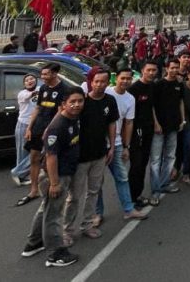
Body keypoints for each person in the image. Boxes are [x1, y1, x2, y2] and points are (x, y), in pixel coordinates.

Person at [21, 87, 85, 267]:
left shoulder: (72, 119)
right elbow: (50, 156)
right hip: (56, 176)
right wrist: (54, 183)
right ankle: (55, 253)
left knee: (46, 209)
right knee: (54, 215)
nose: (76, 105)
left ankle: (33, 243)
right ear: (63, 104)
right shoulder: (58, 127)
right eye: (72, 102)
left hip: (65, 172)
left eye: (80, 101)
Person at [64, 70, 118, 245]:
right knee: (74, 196)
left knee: (94, 191)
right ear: (90, 82)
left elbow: (111, 123)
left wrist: (111, 146)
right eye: (97, 81)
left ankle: (87, 224)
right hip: (80, 158)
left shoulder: (110, 101)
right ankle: (66, 230)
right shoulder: (82, 102)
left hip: (100, 154)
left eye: (104, 81)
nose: (100, 84)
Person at [18, 63, 66, 207]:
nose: (42, 77)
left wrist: (49, 129)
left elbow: (60, 111)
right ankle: (34, 190)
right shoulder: (43, 88)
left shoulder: (64, 89)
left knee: (50, 160)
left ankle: (54, 185)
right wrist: (29, 128)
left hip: (53, 130)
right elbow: (37, 108)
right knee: (34, 158)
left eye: (46, 74)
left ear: (54, 74)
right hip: (38, 128)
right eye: (42, 74)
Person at [104, 69, 148, 221]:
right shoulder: (107, 93)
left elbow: (128, 123)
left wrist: (126, 146)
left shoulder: (130, 99)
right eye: (122, 78)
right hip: (98, 145)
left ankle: (129, 209)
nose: (125, 81)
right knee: (95, 184)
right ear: (116, 78)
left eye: (128, 79)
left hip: (116, 144)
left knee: (122, 178)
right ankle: (96, 214)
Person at [150, 59, 185, 205]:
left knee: (170, 157)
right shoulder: (158, 84)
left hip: (174, 126)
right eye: (172, 68)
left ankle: (164, 184)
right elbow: (151, 105)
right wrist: (156, 123)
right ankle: (155, 190)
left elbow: (181, 102)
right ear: (166, 68)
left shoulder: (179, 84)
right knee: (156, 160)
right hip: (160, 127)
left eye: (177, 68)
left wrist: (183, 120)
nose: (174, 70)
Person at [127, 60, 158, 209]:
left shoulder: (152, 86)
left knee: (144, 163)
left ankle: (137, 195)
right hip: (135, 132)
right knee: (136, 165)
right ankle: (132, 197)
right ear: (142, 71)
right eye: (149, 70)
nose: (151, 73)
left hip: (149, 130)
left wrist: (156, 124)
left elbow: (152, 107)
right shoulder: (134, 89)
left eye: (154, 70)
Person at [10, 74, 38, 186]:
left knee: (36, 150)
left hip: (35, 125)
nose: (30, 81)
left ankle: (19, 173)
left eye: (32, 79)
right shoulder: (22, 94)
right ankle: (20, 175)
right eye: (27, 80)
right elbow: (29, 96)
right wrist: (36, 92)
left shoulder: (40, 89)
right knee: (22, 152)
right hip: (23, 125)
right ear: (24, 84)